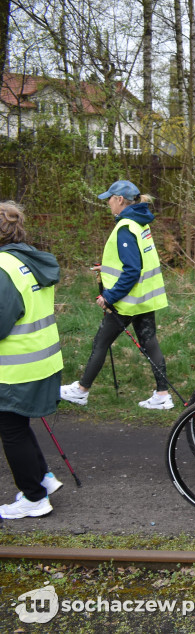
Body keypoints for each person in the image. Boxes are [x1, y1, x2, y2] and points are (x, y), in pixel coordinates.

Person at [60, 180, 173, 409]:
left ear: (120, 200)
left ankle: (81, 391)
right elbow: (137, 260)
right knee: (150, 343)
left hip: (126, 302)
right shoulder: (141, 223)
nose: (108, 204)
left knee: (101, 342)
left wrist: (109, 297)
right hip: (144, 298)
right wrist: (108, 267)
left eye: (110, 199)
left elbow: (132, 270)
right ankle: (162, 396)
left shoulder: (125, 227)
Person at [0, 201, 64, 519]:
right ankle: (44, 479)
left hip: (17, 368)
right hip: (43, 360)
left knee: (10, 428)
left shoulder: (3, 268)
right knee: (18, 425)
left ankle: (34, 498)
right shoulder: (26, 260)